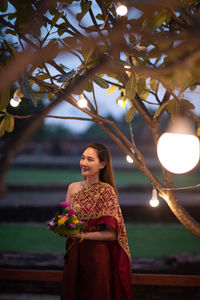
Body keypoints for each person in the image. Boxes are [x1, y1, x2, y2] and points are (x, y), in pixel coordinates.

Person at [61, 143, 133, 300]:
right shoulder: (72, 188)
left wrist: (81, 236)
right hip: (73, 253)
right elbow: (67, 221)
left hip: (96, 257)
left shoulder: (106, 191)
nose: (84, 163)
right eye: (82, 158)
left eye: (90, 159)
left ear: (102, 164)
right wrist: (62, 227)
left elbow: (112, 234)